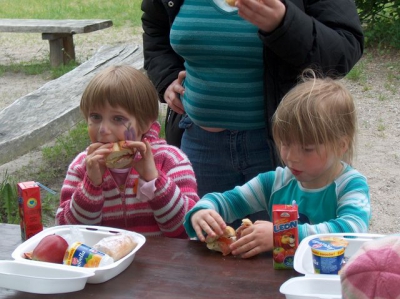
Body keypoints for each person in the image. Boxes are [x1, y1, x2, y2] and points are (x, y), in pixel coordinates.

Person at [141, 0, 365, 203]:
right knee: (205, 240)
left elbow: (344, 50)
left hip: (284, 147)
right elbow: (155, 27)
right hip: (199, 144)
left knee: (286, 241)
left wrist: (284, 24)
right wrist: (167, 77)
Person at [183, 72, 371, 258]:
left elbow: (352, 231)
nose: (291, 158)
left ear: (341, 145)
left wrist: (282, 235)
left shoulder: (351, 185)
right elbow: (230, 201)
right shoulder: (274, 182)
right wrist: (202, 212)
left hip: (331, 283)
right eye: (285, 144)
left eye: (307, 149)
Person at [55, 65, 199, 238]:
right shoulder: (82, 165)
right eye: (95, 117)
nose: (103, 129)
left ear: (145, 123)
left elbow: (185, 229)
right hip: (104, 262)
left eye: (118, 119)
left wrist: (155, 180)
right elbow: (68, 232)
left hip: (160, 263)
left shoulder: (171, 160)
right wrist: (91, 186)